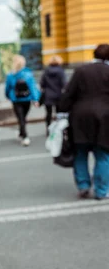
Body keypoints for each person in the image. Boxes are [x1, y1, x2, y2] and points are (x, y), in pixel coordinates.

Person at [59, 44, 109, 200]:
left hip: (79, 117)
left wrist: (61, 113)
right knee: (103, 154)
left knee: (80, 153)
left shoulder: (80, 71)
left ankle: (83, 186)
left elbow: (68, 94)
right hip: (104, 117)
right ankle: (102, 191)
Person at [5, 55, 41, 146]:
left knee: (21, 118)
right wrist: (36, 99)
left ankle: (24, 136)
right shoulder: (28, 74)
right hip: (26, 99)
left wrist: (8, 96)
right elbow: (32, 87)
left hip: (16, 99)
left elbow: (8, 88)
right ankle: (23, 134)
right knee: (23, 118)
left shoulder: (10, 75)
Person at [40, 55, 67, 135]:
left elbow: (42, 83)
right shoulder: (61, 71)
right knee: (59, 113)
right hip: (58, 95)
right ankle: (59, 129)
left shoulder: (46, 71)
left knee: (48, 113)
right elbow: (64, 84)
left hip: (48, 95)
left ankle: (48, 129)